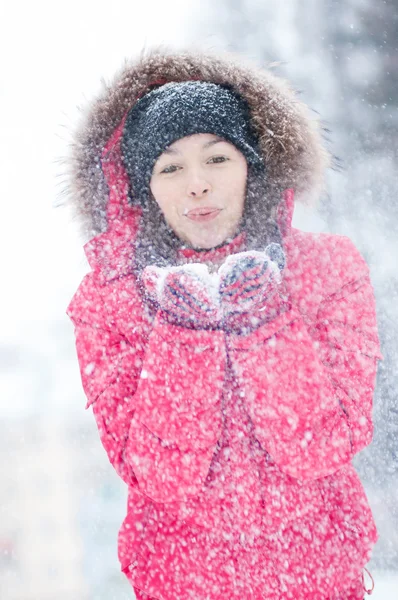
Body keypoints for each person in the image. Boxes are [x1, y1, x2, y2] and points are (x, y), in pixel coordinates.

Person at [66, 48, 382, 600]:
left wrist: (259, 312)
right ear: (145, 191)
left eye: (217, 158)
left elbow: (324, 443)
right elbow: (160, 475)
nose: (197, 184)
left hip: (322, 580)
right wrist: (186, 325)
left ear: (253, 165)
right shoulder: (109, 303)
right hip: (183, 585)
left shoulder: (329, 269)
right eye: (169, 167)